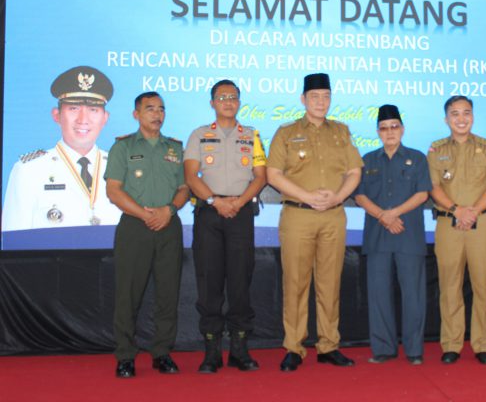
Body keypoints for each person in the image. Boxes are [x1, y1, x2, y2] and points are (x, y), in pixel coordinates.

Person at [266, 73, 363, 372]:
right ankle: (293, 347)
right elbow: (273, 175)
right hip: (298, 215)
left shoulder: (341, 132)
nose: (321, 102)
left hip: (333, 215)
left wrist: (338, 197)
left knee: (330, 282)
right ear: (303, 99)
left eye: (326, 96)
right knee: (295, 283)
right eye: (315, 96)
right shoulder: (286, 132)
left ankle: (328, 345)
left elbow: (354, 172)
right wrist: (307, 196)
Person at [184, 80, 267, 373]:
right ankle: (211, 353)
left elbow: (260, 176)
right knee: (209, 282)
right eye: (222, 97)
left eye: (233, 97)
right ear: (212, 103)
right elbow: (191, 176)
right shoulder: (199, 135)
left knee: (240, 281)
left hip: (240, 214)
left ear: (240, 102)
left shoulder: (252, 135)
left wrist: (240, 202)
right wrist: (215, 201)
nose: (228, 101)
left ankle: (239, 350)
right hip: (209, 213)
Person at [105, 92, 189, 378]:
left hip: (169, 225)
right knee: (128, 294)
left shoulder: (175, 148)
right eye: (150, 108)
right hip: (134, 227)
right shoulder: (123, 147)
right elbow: (113, 191)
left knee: (168, 293)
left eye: (161, 109)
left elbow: (184, 188)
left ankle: (162, 352)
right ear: (136, 114)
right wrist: (145, 214)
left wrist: (169, 210)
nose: (157, 114)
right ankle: (125, 356)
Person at [427, 95, 486, 365]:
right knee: (449, 286)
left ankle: (483, 344)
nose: (461, 119)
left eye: (466, 113)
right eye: (455, 114)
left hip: (482, 223)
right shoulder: (436, 149)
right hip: (448, 223)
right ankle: (452, 344)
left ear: (473, 116)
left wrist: (472, 212)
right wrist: (457, 210)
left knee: (483, 285)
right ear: (446, 119)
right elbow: (433, 187)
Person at [354, 104, 431, 365]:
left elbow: (423, 193)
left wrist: (393, 213)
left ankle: (414, 350)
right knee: (378, 294)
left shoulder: (417, 158)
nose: (390, 132)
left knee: (413, 295)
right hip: (378, 236)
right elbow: (359, 195)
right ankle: (384, 348)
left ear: (403, 129)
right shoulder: (367, 160)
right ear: (378, 132)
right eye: (384, 128)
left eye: (394, 127)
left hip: (409, 235)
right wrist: (383, 216)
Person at [2, 66, 121, 230]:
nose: (83, 120)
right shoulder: (29, 170)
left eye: (93, 110)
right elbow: (14, 237)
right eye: (74, 109)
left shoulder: (123, 168)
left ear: (105, 118)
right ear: (57, 115)